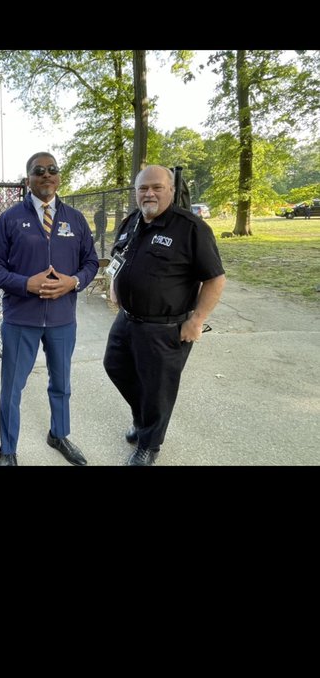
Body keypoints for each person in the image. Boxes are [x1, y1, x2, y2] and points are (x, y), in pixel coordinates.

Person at [103, 165, 226, 466]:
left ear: (171, 190)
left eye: (157, 187)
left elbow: (215, 279)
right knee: (115, 366)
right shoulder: (132, 221)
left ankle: (149, 445)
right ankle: (143, 419)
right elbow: (120, 258)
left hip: (165, 328)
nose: (149, 193)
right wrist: (114, 286)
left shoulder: (190, 228)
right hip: (128, 319)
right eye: (143, 188)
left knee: (158, 390)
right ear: (136, 192)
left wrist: (196, 320)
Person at [0, 151, 99, 466]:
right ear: (28, 180)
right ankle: (8, 450)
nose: (46, 175)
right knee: (12, 389)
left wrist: (73, 282)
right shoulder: (9, 219)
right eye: (39, 170)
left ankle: (59, 434)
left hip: (63, 320)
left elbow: (91, 262)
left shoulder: (75, 219)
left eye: (52, 170)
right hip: (22, 320)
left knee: (61, 383)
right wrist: (26, 284)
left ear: (59, 176)